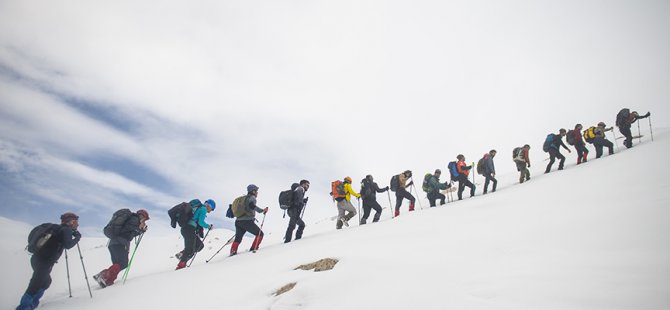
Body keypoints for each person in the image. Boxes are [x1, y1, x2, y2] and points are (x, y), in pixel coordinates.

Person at [17, 212, 81, 310]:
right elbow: (68, 245)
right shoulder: (66, 230)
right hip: (45, 261)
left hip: (36, 258)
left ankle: (32, 303)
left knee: (46, 281)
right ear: (71, 222)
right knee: (36, 283)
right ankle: (24, 306)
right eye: (76, 221)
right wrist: (77, 237)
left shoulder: (55, 229)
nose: (78, 224)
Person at [93, 209, 149, 287]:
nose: (145, 221)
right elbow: (129, 228)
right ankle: (102, 275)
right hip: (120, 243)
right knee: (123, 263)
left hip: (114, 243)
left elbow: (129, 234)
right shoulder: (134, 218)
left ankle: (107, 281)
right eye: (145, 218)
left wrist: (140, 230)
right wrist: (139, 228)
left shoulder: (132, 219)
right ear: (142, 216)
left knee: (118, 264)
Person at [176, 199, 215, 270]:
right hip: (189, 229)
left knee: (199, 245)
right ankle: (181, 266)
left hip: (187, 229)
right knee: (189, 249)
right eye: (212, 209)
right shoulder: (203, 209)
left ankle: (182, 254)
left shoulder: (199, 208)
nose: (210, 211)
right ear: (209, 206)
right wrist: (208, 226)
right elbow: (201, 222)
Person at [230, 185, 268, 255]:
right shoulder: (252, 198)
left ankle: (232, 252)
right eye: (256, 191)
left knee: (238, 238)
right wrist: (262, 210)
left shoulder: (243, 198)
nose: (257, 193)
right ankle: (253, 249)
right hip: (246, 221)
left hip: (238, 221)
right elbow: (251, 205)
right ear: (253, 191)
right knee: (260, 234)